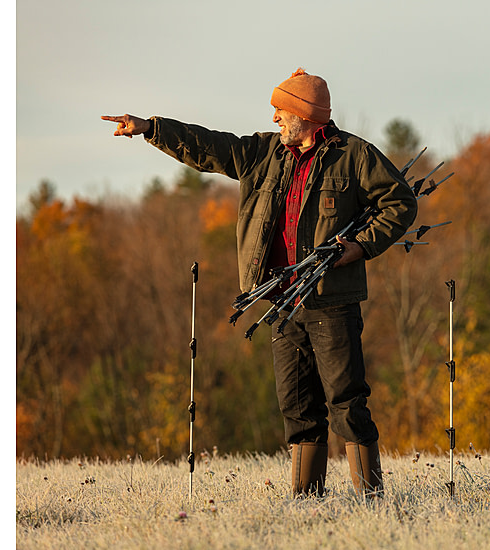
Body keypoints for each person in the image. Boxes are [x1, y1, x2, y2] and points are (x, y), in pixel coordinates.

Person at [102, 68, 418, 498]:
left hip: (332, 302)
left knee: (347, 403)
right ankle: (307, 504)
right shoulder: (262, 154)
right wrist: (151, 129)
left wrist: (360, 246)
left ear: (305, 115)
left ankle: (371, 500)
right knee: (297, 408)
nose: (274, 119)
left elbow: (399, 203)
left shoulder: (355, 156)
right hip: (282, 302)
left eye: (280, 111)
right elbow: (207, 146)